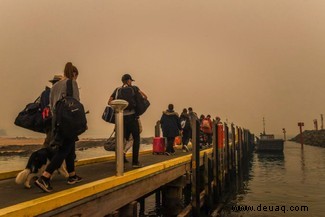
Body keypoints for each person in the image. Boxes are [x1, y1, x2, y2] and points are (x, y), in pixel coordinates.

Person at [35, 62, 82, 193]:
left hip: (57, 120)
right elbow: (76, 101)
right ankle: (45, 177)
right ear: (74, 74)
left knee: (70, 148)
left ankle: (72, 176)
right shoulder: (72, 83)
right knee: (64, 150)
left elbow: (51, 105)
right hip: (68, 120)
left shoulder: (54, 86)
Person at [108, 74, 147, 168]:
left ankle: (120, 159)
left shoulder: (117, 90)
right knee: (136, 138)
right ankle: (135, 162)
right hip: (132, 117)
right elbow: (145, 97)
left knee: (122, 139)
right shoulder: (134, 88)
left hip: (121, 118)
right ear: (128, 80)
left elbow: (109, 102)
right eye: (131, 80)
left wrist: (120, 107)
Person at [40, 75, 63, 148]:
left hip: (46, 122)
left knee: (50, 141)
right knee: (50, 142)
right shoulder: (56, 94)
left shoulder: (45, 93)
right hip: (54, 122)